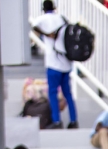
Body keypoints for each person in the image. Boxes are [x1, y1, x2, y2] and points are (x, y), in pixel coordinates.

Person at [32, 1, 79, 129]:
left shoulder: (42, 19)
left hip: (53, 62)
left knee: (53, 93)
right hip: (66, 62)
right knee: (68, 93)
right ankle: (74, 120)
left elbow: (33, 25)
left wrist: (46, 34)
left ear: (43, 9)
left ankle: (57, 121)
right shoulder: (62, 18)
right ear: (54, 8)